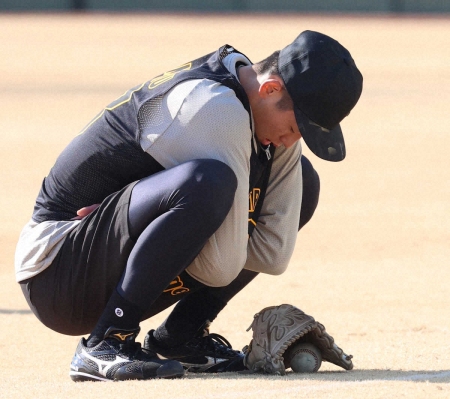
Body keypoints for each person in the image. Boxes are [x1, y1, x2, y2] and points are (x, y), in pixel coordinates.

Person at [15, 30, 363, 381]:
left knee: (300, 182)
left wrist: (143, 219)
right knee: (208, 183)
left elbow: (272, 254)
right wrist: (132, 219)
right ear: (270, 88)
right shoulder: (215, 108)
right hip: (57, 269)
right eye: (295, 126)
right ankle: (105, 343)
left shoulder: (252, 105)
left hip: (101, 252)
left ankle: (181, 337)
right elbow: (220, 266)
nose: (292, 139)